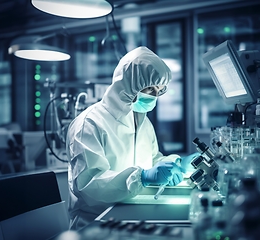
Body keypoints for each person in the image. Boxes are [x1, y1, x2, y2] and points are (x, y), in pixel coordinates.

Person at [65, 46, 198, 230]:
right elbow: (89, 184)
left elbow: (153, 160)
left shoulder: (140, 119)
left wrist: (176, 163)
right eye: (150, 89)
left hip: (129, 217)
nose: (154, 96)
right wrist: (142, 177)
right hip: (94, 225)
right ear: (127, 84)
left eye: (159, 90)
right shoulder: (89, 124)